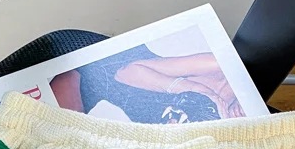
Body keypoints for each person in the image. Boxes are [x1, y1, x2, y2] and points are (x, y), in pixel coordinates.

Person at [49, 44, 243, 123]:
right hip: (101, 74)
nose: (243, 112)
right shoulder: (218, 68)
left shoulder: (233, 124)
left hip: (112, 116)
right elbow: (126, 73)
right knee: (57, 127)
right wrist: (198, 90)